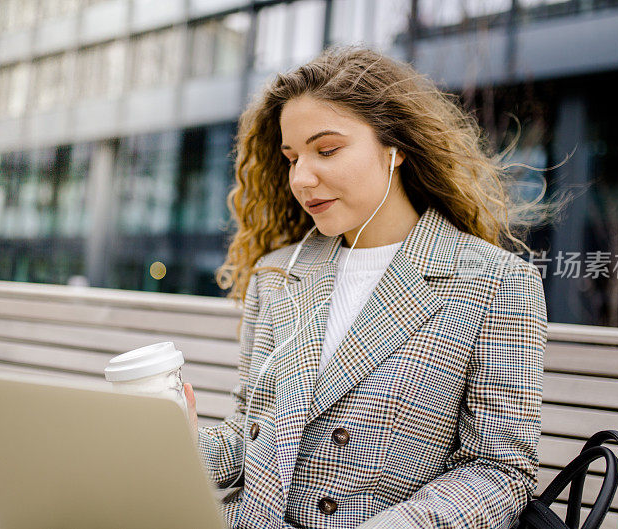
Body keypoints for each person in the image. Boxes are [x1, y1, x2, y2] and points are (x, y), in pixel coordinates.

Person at [183, 46, 549, 529]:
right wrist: (177, 443)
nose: (301, 178)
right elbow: (248, 434)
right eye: (291, 157)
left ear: (394, 148)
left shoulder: (496, 281)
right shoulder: (278, 272)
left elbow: (500, 469)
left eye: (327, 150)